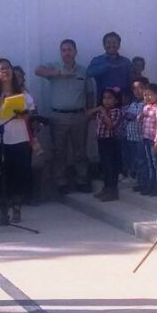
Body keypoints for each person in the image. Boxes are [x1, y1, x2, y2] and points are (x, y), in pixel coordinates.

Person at [0, 58, 37, 224]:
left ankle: (17, 207)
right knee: (1, 173)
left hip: (19, 135)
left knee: (19, 172)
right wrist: (2, 99)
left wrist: (22, 114)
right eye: (1, 69)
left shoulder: (22, 91)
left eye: (8, 68)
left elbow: (30, 110)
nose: (5, 71)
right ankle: (3, 207)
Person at [35, 38, 92, 196]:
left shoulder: (83, 70)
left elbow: (89, 92)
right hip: (58, 117)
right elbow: (37, 70)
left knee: (80, 151)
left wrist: (89, 112)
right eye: (64, 50)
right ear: (61, 52)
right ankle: (61, 182)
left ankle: (82, 180)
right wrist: (59, 73)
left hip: (79, 116)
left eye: (69, 50)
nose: (67, 53)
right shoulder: (54, 66)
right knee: (60, 152)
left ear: (75, 51)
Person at [88, 87, 124, 202]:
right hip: (101, 140)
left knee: (111, 166)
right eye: (104, 98)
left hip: (111, 141)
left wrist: (103, 113)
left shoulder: (116, 111)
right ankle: (106, 188)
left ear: (116, 100)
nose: (106, 101)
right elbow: (87, 114)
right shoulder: (100, 110)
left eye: (109, 98)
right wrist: (97, 109)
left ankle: (113, 190)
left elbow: (111, 125)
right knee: (104, 165)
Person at [136, 83, 157, 197]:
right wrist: (142, 112)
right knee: (149, 163)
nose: (147, 98)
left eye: (150, 95)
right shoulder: (146, 107)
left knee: (156, 164)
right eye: (145, 95)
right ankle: (150, 186)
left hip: (154, 141)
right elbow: (138, 119)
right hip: (146, 139)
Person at [86, 32, 134, 96]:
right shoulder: (97, 60)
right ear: (104, 45)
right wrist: (106, 66)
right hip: (103, 101)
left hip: (122, 101)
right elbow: (89, 73)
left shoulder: (126, 62)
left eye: (114, 42)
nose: (111, 45)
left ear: (119, 45)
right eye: (108, 42)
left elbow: (131, 82)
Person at [124, 77, 147, 190]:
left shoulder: (146, 104)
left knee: (142, 160)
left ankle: (143, 182)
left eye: (141, 88)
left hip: (141, 137)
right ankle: (139, 180)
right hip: (131, 136)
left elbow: (142, 118)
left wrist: (133, 117)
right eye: (135, 89)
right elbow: (127, 115)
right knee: (135, 160)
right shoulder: (133, 103)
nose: (137, 91)